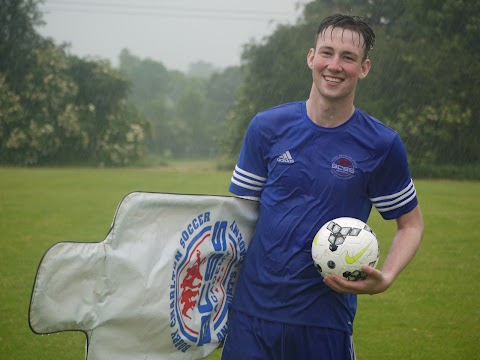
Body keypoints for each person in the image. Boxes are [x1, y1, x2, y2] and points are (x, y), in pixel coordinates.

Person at [221, 13, 424, 360]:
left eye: (348, 57)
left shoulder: (382, 144)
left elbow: (411, 224)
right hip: (251, 315)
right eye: (327, 53)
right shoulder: (266, 127)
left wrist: (387, 275)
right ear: (311, 57)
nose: (335, 65)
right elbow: (236, 215)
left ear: (364, 68)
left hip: (326, 320)